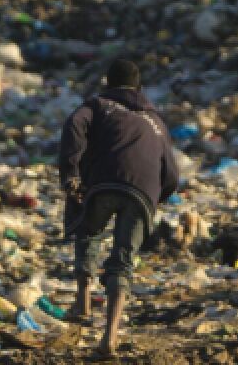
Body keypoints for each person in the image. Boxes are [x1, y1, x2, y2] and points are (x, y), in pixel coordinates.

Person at [59, 58, 180, 357]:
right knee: (122, 262)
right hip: (143, 193)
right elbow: (173, 174)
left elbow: (74, 125)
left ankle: (83, 300)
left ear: (108, 83)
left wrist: (71, 174)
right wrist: (156, 198)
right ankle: (109, 338)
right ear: (139, 87)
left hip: (103, 183)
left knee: (88, 229)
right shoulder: (155, 121)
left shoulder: (99, 105)